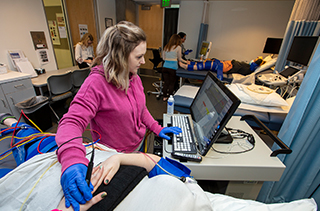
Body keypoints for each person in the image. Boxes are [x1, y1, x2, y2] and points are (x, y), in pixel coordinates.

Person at [55, 21, 182, 211]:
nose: (143, 62)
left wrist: (157, 128)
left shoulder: (134, 77)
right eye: (138, 56)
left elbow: (142, 109)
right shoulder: (96, 84)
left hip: (137, 146)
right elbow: (71, 122)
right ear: (120, 56)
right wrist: (72, 160)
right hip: (114, 156)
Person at [178, 57, 264, 80]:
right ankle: (190, 63)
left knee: (209, 64)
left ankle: (187, 66)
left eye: (255, 60)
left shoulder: (250, 68)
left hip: (225, 67)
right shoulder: (248, 66)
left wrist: (259, 60)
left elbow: (255, 64)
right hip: (225, 65)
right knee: (208, 62)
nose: (254, 59)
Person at [162, 34, 188, 101]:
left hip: (165, 67)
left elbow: (163, 58)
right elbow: (180, 59)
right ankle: (170, 97)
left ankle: (164, 96)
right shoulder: (178, 47)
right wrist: (186, 62)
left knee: (166, 82)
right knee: (172, 83)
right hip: (173, 67)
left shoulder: (166, 47)